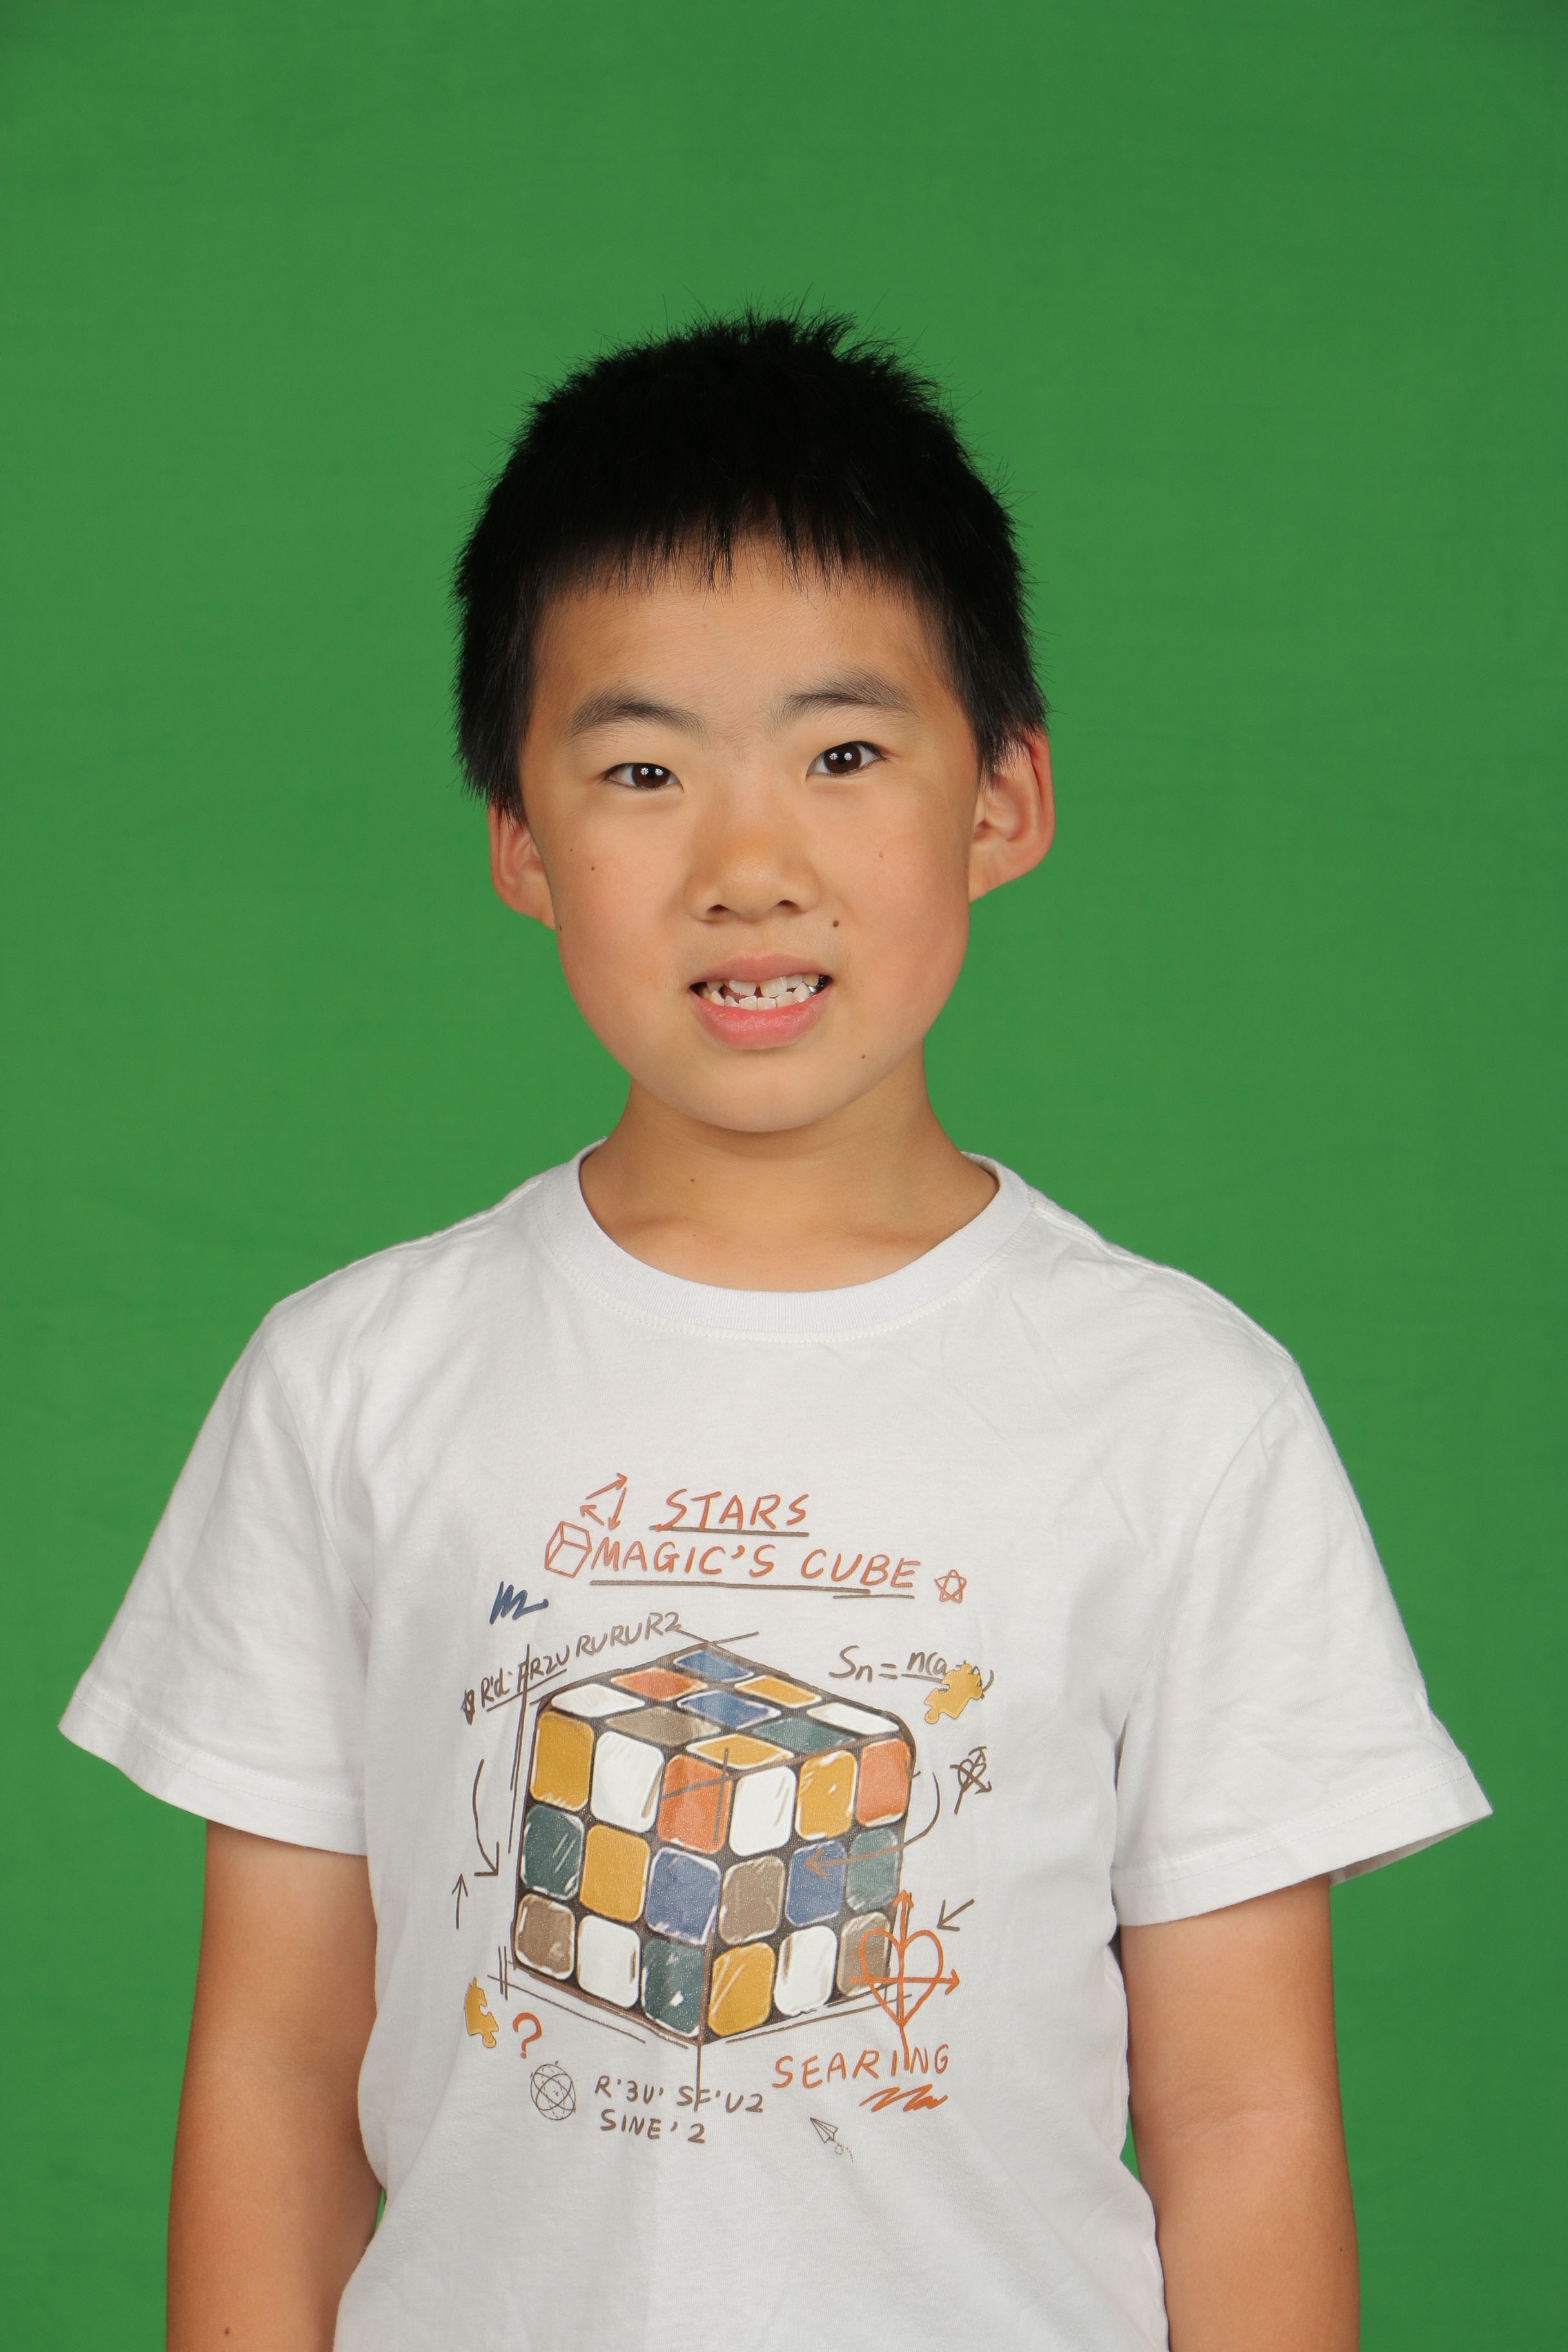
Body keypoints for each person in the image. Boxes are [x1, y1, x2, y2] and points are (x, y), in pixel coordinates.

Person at [62, 312, 1488, 2352]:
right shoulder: (350, 1381)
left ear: (1002, 801)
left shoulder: (1185, 1408)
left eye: (844, 757)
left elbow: (1246, 2118)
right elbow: (279, 2075)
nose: (751, 867)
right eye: (643, 771)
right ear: (522, 839)